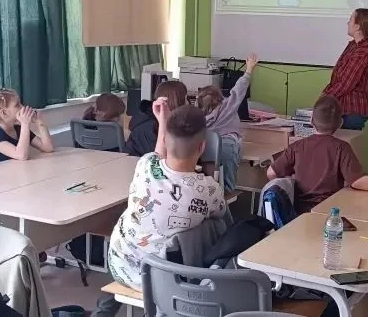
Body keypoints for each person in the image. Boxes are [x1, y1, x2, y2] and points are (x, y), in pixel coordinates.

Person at [107, 98, 227, 291]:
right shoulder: (208, 189)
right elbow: (221, 213)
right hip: (163, 277)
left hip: (120, 263)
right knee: (214, 224)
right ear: (202, 147)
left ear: (163, 140)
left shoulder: (145, 165)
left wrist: (163, 121)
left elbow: (157, 157)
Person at [267, 95, 368, 213]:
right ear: (340, 123)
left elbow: (271, 173)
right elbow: (358, 182)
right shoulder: (341, 148)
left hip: (299, 215)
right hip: (330, 213)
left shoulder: (297, 146)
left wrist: (289, 184)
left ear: (311, 120)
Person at [196, 53, 257, 193]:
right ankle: (227, 191)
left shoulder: (199, 116)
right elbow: (240, 88)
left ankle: (210, 190)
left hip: (207, 146)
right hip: (228, 145)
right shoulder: (228, 106)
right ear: (220, 97)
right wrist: (249, 69)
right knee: (228, 184)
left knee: (210, 174)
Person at [322, 8, 368, 131]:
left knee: (346, 142)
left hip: (352, 110)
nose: (348, 23)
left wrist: (324, 99)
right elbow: (339, 76)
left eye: (351, 20)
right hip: (343, 108)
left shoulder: (364, 50)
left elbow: (346, 83)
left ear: (358, 26)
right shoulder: (354, 45)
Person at [0, 88, 54, 164]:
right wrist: (25, 124)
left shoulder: (18, 129)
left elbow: (48, 148)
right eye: (17, 105)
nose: (23, 107)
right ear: (4, 113)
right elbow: (22, 155)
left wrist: (39, 122)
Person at [126, 80, 188, 157]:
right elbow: (161, 158)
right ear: (177, 100)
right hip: (142, 163)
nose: (187, 102)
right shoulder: (152, 127)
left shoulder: (148, 118)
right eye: (185, 98)